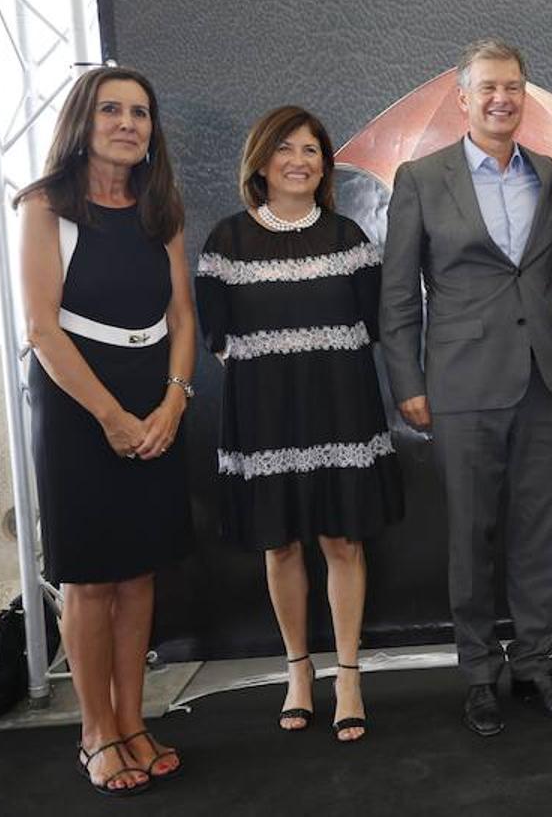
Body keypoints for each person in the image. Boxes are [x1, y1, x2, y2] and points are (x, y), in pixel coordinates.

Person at [379, 38, 552, 736]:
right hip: (460, 384)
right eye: (489, 88)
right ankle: (477, 672)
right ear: (463, 99)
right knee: (470, 534)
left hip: (542, 377)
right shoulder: (421, 177)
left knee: (538, 530)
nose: (503, 98)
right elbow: (399, 291)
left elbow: (543, 265)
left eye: (514, 87)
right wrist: (406, 379)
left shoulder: (550, 174)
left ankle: (533, 661)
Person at [195, 106, 403, 741]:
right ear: (260, 161)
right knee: (279, 543)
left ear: (325, 164)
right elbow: (216, 335)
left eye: (311, 150)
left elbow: (374, 325)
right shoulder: (225, 242)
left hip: (341, 407)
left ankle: (348, 676)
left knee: (343, 542)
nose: (298, 161)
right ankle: (297, 672)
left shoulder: (349, 240)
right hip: (264, 415)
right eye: (285, 149)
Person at [17, 66, 193, 795]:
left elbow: (183, 318)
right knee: (90, 578)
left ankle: (134, 718)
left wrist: (174, 402)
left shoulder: (162, 210)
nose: (129, 123)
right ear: (83, 122)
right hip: (75, 402)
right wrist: (112, 418)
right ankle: (96, 732)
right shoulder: (45, 206)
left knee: (139, 569)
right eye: (113, 110)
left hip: (154, 394)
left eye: (141, 113)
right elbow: (41, 329)